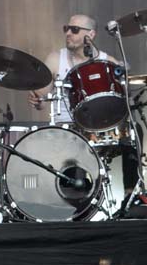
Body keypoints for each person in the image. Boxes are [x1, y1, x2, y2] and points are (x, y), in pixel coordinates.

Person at [29, 14, 138, 196]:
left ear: (91, 35)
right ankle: (78, 201)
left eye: (74, 30)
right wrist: (37, 100)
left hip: (101, 126)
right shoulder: (57, 58)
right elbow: (41, 95)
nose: (68, 34)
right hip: (67, 128)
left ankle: (131, 196)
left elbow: (122, 94)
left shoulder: (107, 60)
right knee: (74, 170)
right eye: (66, 29)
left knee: (133, 133)